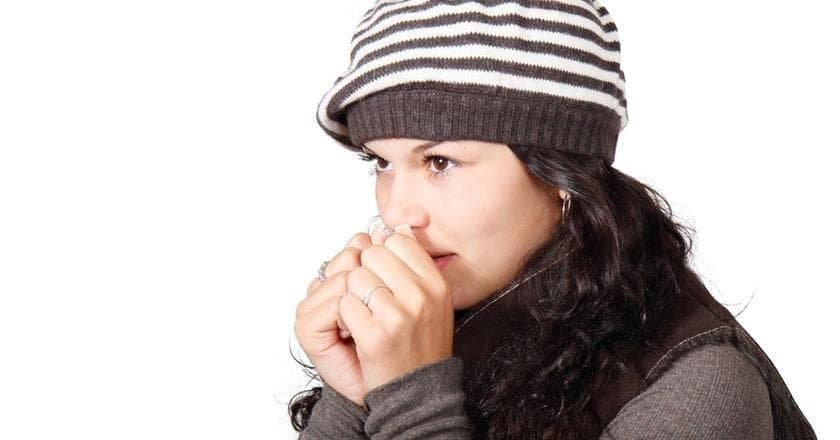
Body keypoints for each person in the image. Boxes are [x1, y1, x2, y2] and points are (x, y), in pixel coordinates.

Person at [289, 1, 817, 438]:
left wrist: (410, 395)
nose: (397, 213)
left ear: (561, 173)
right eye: (381, 163)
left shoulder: (698, 386)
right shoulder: (433, 324)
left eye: (441, 162)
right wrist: (352, 397)